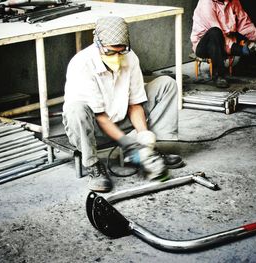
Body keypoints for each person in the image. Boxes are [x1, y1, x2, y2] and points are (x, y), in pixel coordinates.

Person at [62, 16, 184, 193]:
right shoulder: (82, 64)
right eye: (111, 52)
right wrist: (128, 144)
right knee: (76, 109)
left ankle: (152, 153)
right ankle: (93, 165)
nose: (117, 57)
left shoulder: (130, 58)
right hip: (94, 127)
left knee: (166, 84)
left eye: (121, 51)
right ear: (98, 44)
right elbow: (100, 116)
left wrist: (143, 137)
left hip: (121, 117)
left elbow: (135, 103)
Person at [190, 0, 256, 88]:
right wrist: (238, 49)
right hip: (204, 46)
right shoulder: (206, 2)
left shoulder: (234, 1)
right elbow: (217, 31)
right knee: (215, 32)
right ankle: (219, 75)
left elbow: (244, 23)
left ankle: (252, 65)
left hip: (226, 43)